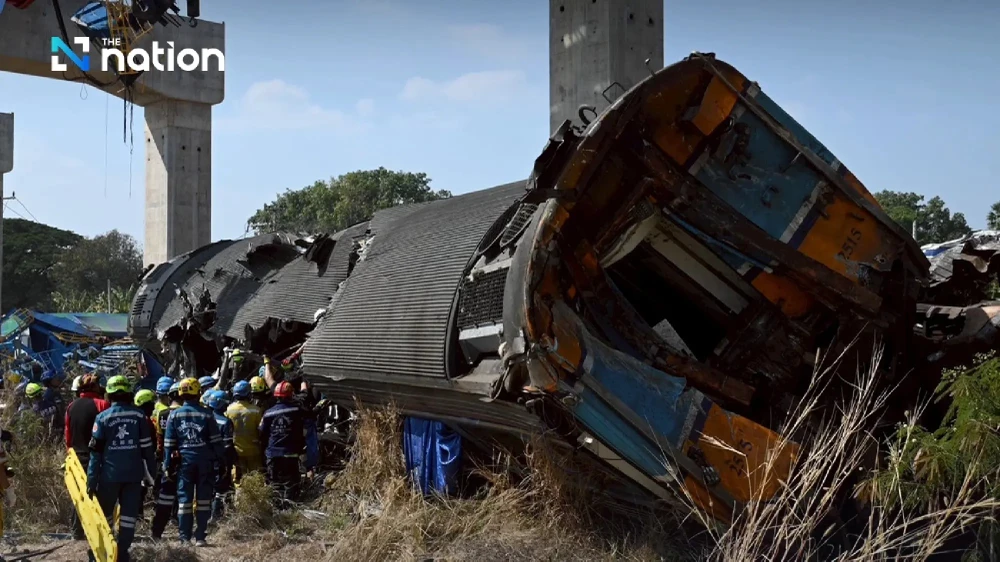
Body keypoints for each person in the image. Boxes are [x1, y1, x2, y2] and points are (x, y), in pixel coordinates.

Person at [86, 375, 156, 562]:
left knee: (105, 515)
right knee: (128, 516)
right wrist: (152, 475)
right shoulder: (139, 416)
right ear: (128, 393)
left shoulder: (102, 418)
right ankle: (122, 552)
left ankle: (105, 552)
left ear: (109, 394)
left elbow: (95, 454)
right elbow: (147, 450)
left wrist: (91, 480)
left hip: (109, 476)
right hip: (133, 476)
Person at [162, 377, 224, 547]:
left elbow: (169, 444)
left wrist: (167, 465)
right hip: (205, 463)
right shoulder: (207, 414)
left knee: (184, 501)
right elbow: (216, 442)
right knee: (204, 500)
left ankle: (184, 538)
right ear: (198, 393)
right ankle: (200, 537)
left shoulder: (174, 415)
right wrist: (222, 462)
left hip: (185, 464)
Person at [65, 374, 110, 540]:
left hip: (76, 457)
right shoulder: (102, 404)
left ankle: (77, 532)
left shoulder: (71, 406)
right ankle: (101, 532)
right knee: (101, 495)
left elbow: (68, 436)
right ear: (94, 387)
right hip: (96, 457)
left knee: (79, 496)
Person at [259, 381, 307, 504]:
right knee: (291, 482)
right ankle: (288, 508)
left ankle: (276, 508)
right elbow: (310, 414)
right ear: (291, 395)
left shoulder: (268, 413)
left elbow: (262, 432)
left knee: (274, 482)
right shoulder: (296, 409)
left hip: (273, 453)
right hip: (290, 452)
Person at [150, 382, 182, 540]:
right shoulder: (187, 413)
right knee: (184, 496)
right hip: (185, 459)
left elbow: (159, 439)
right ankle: (182, 529)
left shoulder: (162, 414)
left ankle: (157, 531)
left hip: (166, 460)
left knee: (165, 495)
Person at [225, 381, 264, 481]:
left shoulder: (228, 410)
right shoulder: (256, 410)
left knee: (238, 478)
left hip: (236, 451)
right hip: (253, 450)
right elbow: (261, 430)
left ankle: (238, 496)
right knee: (256, 478)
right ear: (248, 393)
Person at [205, 390, 234, 521]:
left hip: (205, 459)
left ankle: (204, 515)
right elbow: (228, 445)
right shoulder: (226, 422)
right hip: (219, 460)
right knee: (220, 489)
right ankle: (215, 516)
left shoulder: (203, 418)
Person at [133, 389, 157, 526]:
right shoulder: (144, 420)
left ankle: (139, 515)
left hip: (138, 459)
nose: (153, 406)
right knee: (140, 490)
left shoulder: (140, 418)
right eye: (151, 404)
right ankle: (138, 516)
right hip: (142, 460)